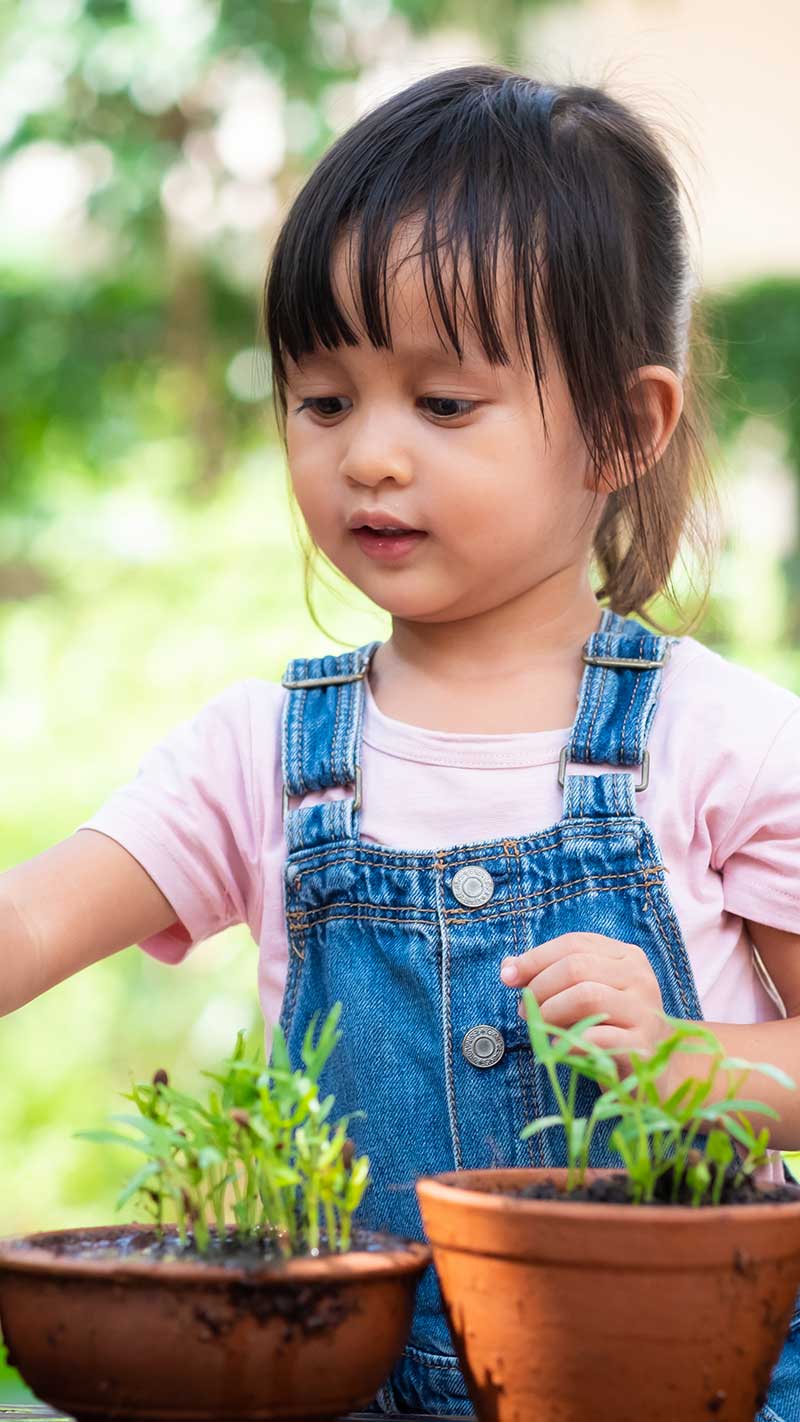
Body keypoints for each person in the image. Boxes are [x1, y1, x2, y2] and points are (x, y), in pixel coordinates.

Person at [2, 63, 800, 1419]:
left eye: (442, 405)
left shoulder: (714, 739)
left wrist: (683, 1050)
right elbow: (25, 928)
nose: (368, 455)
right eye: (322, 401)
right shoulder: (261, 751)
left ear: (623, 425)